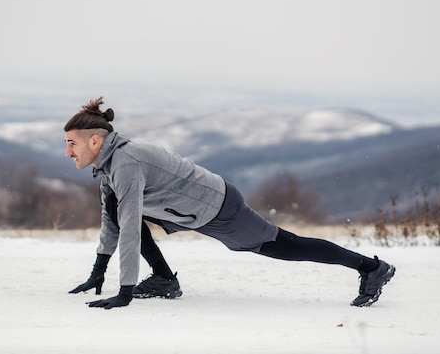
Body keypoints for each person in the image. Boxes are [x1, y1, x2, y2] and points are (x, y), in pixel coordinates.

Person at [64, 97, 395, 310]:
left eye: (71, 143)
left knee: (285, 246)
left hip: (218, 206)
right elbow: (116, 219)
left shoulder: (126, 163)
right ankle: (164, 280)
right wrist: (98, 273)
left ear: (95, 140)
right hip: (189, 210)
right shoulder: (107, 167)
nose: (68, 151)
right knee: (120, 214)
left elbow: (131, 222)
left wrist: (124, 292)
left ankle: (370, 267)